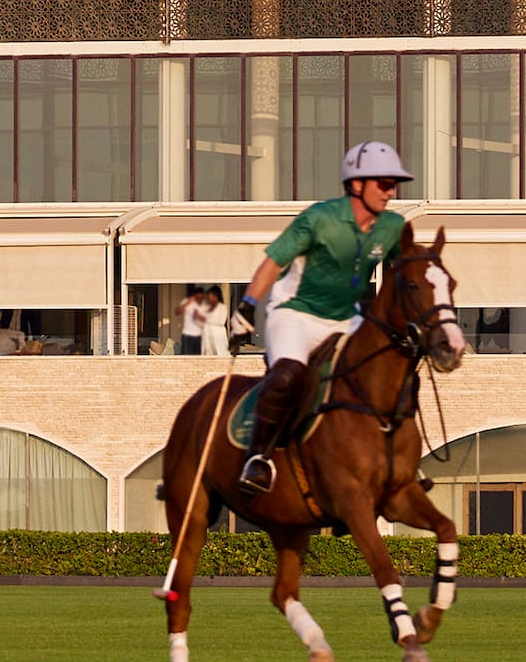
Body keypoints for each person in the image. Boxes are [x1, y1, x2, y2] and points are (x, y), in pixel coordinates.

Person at [233, 140, 414, 496]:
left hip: (347, 319)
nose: (390, 192)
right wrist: (247, 305)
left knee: (393, 370)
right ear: (356, 184)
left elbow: (403, 274)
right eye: (384, 183)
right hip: (296, 314)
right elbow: (274, 261)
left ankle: (397, 457)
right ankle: (258, 458)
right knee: (287, 377)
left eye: (393, 185)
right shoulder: (319, 219)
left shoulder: (392, 227)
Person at [176, 288, 211, 355]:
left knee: (198, 357)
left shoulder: (205, 305)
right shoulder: (187, 301)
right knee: (186, 357)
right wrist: (188, 302)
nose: (200, 299)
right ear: (194, 296)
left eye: (201, 298)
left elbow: (209, 320)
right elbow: (177, 312)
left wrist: (198, 317)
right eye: (198, 297)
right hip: (187, 335)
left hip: (200, 336)